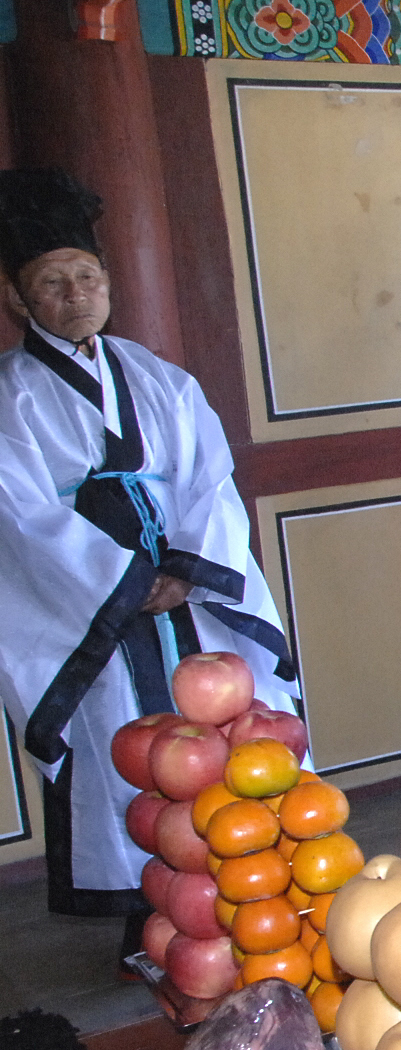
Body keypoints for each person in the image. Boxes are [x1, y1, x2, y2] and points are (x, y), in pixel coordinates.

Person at [0, 169, 297, 953]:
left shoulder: (160, 380)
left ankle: (234, 890)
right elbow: (22, 519)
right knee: (117, 740)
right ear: (19, 301)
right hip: (94, 612)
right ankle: (147, 911)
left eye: (88, 278)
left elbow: (209, 483)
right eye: (52, 284)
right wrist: (123, 585)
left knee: (216, 725)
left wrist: (182, 573)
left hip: (180, 595)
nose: (76, 295)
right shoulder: (12, 399)